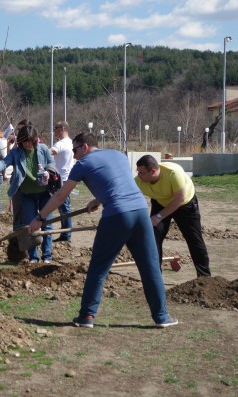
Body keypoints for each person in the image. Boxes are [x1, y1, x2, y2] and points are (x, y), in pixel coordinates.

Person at [29, 133, 178, 328]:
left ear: (84, 147)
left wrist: (40, 218)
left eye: (75, 150)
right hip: (141, 211)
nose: (74, 156)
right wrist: (98, 200)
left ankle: (87, 316)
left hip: (117, 215)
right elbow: (118, 182)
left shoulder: (82, 164)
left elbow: (60, 196)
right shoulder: (119, 156)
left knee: (99, 268)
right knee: (150, 266)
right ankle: (162, 317)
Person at [0, 125, 56, 263]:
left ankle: (47, 256)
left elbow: (51, 162)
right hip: (26, 195)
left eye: (29, 141)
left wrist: (49, 172)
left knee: (47, 225)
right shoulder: (17, 152)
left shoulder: (42, 149)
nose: (27, 144)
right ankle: (33, 257)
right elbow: (4, 162)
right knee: (29, 226)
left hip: (44, 193)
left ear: (35, 140)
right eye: (24, 141)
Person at [135, 155, 211, 277]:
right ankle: (155, 277)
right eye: (138, 172)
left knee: (194, 239)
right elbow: (121, 191)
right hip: (160, 202)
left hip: (184, 203)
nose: (139, 175)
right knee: (153, 237)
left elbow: (179, 199)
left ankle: (204, 278)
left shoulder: (173, 174)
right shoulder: (139, 181)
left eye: (142, 173)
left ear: (153, 171)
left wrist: (158, 217)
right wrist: (98, 201)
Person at [50, 120, 75, 242]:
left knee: (64, 208)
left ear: (63, 129)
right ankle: (65, 234)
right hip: (67, 178)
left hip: (61, 180)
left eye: (56, 128)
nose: (54, 130)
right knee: (64, 207)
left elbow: (50, 152)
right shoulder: (71, 143)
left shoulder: (61, 144)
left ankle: (66, 235)